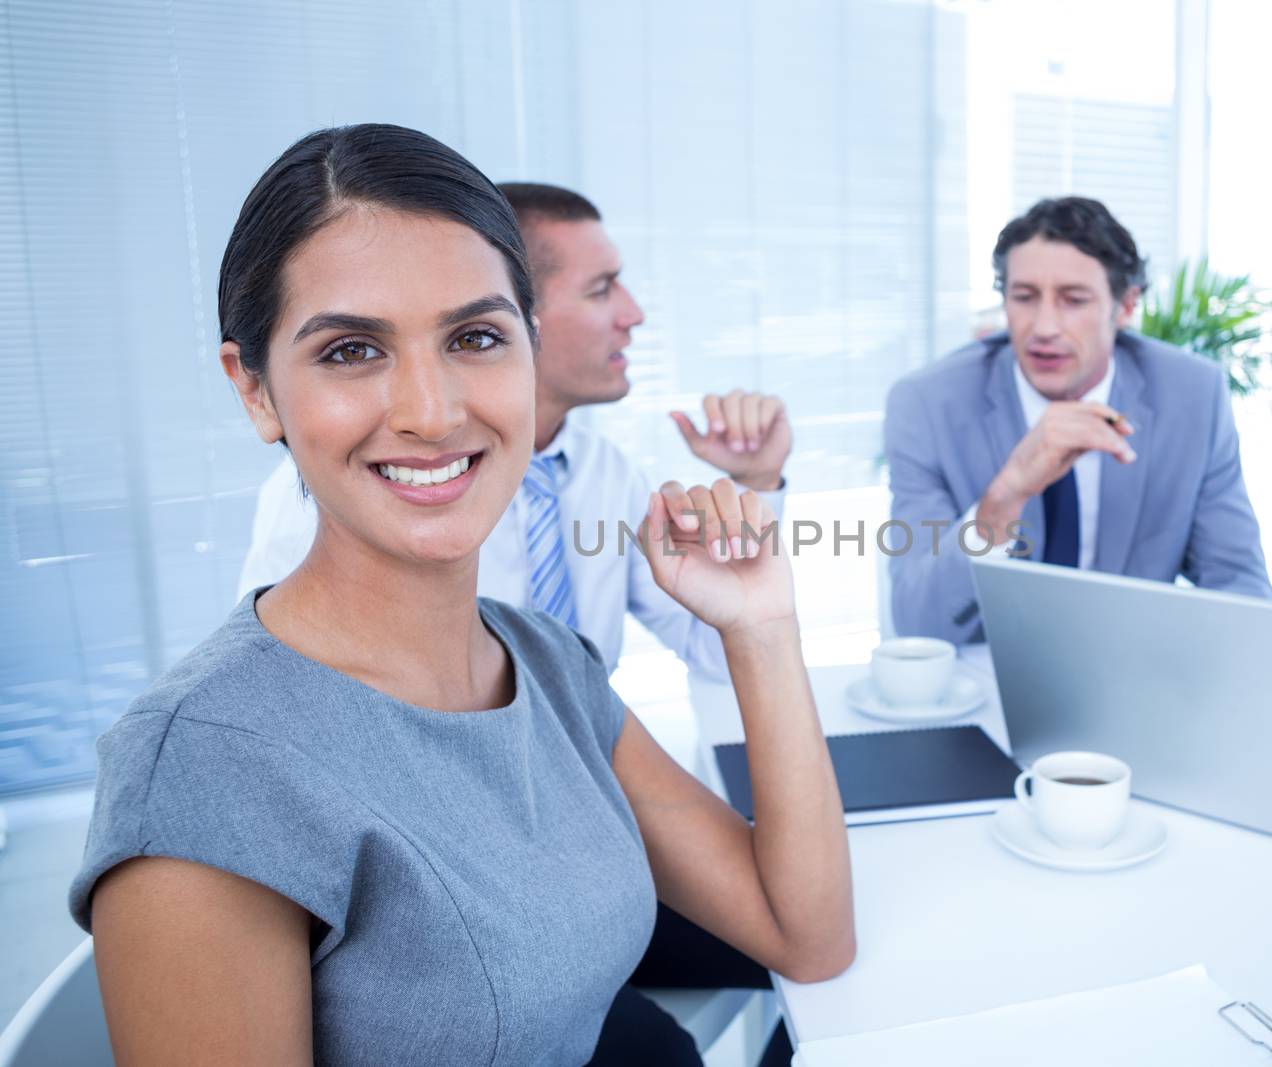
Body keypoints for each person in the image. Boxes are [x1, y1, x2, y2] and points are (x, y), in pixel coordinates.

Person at [68, 124, 853, 1066]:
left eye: (476, 337)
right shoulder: (204, 776)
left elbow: (805, 935)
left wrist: (762, 625)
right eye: (352, 351)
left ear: (528, 352)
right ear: (256, 391)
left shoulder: (544, 661)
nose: (433, 412)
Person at [236, 181, 792, 681]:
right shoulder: (328, 499)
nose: (635, 314)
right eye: (601, 289)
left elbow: (719, 651)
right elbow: (277, 688)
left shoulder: (607, 473)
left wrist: (758, 481)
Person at [884, 196, 1272, 643]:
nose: (1044, 326)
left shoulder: (1192, 396)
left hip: (1133, 676)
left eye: (1073, 300)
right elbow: (919, 622)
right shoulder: (927, 404)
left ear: (1125, 307)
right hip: (986, 683)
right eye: (1024, 297)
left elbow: (1241, 591)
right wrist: (1004, 498)